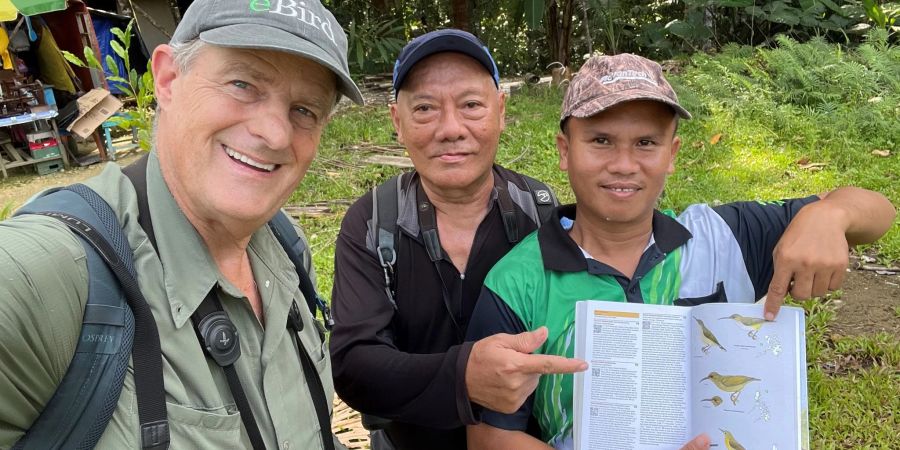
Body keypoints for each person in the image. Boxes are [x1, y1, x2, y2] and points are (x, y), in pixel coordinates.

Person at [465, 53, 896, 450]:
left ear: (672, 154)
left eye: (646, 143)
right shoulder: (518, 280)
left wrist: (829, 215)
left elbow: (878, 213)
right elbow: (487, 437)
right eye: (600, 140)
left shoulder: (722, 236)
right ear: (564, 150)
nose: (624, 164)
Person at [0, 0, 363, 448]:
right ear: (168, 79)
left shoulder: (286, 249)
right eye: (243, 83)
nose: (275, 134)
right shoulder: (49, 274)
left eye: (305, 110)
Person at [329, 29, 587, 450]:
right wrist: (464, 377)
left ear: (501, 110)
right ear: (397, 121)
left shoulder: (538, 212)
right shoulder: (374, 222)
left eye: (470, 105)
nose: (451, 129)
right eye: (426, 108)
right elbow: (355, 366)